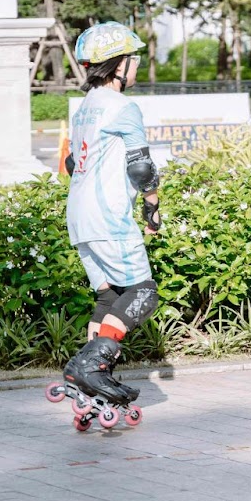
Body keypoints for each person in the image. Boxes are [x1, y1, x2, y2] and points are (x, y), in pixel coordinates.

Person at [59, 22, 162, 422]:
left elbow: (71, 163)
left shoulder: (84, 107)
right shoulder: (124, 107)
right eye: (134, 59)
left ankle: (92, 379)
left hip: (80, 216)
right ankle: (89, 367)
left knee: (108, 296)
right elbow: (140, 168)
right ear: (118, 64)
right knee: (143, 294)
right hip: (109, 216)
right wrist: (152, 208)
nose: (136, 67)